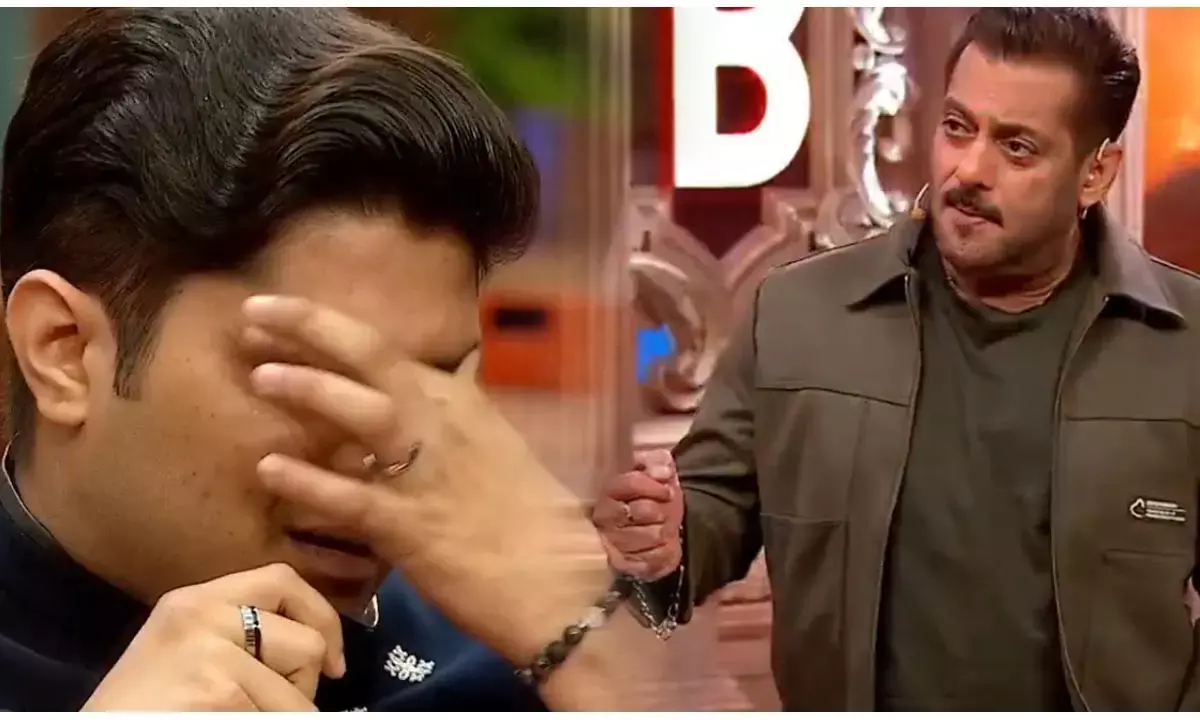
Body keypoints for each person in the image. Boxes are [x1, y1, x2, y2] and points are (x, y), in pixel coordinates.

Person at [0, 8, 643, 712]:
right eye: (319, 374)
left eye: (433, 383)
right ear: (64, 350)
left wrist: (590, 648)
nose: (388, 447)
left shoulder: (521, 661)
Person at [596, 7, 1200, 712]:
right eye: (957, 127)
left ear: (1096, 173)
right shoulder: (798, 316)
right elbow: (708, 518)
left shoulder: (1186, 344)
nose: (968, 170)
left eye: (1017, 148)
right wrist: (661, 542)